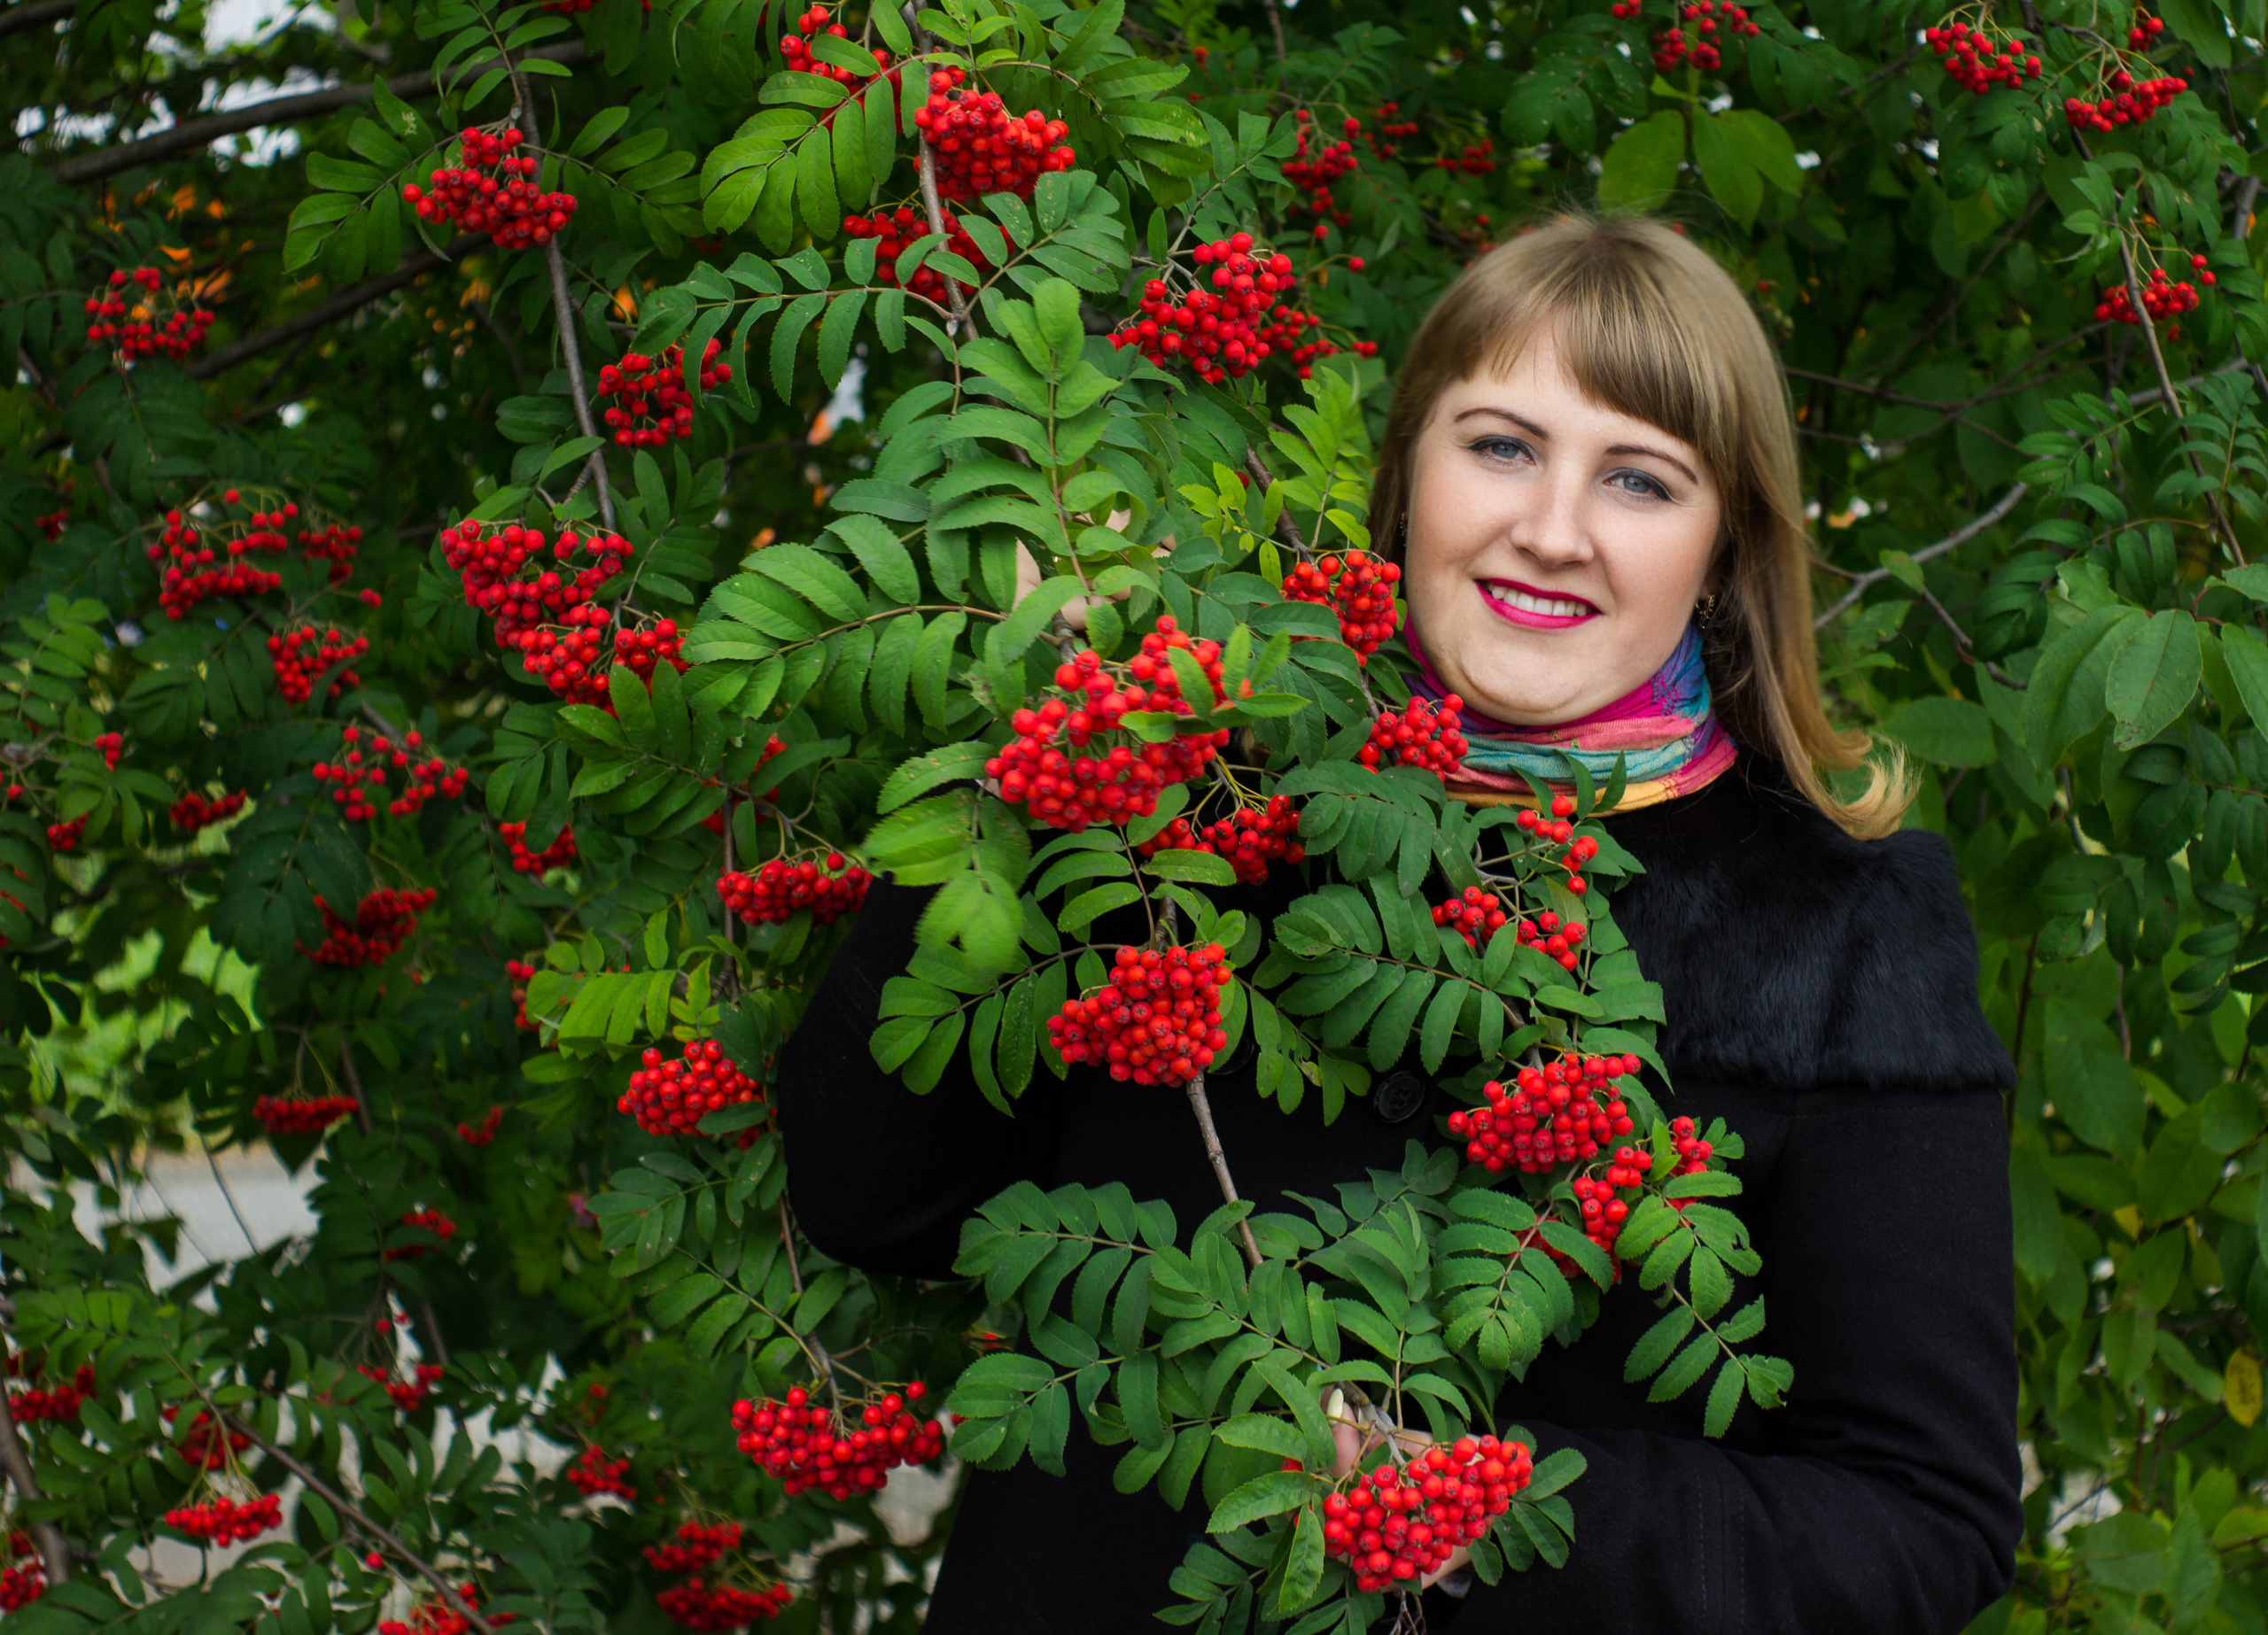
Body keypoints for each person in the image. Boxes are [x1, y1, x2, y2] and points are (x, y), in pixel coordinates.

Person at [778, 213, 2023, 1632]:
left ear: (1725, 542)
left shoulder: (1845, 935)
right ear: (1407, 472)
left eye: (1639, 478)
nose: (1551, 529)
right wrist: (1042, 753)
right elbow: (870, 1202)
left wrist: (1488, 1507)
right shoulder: (1203, 804)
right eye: (1499, 444)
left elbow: (1926, 1519)